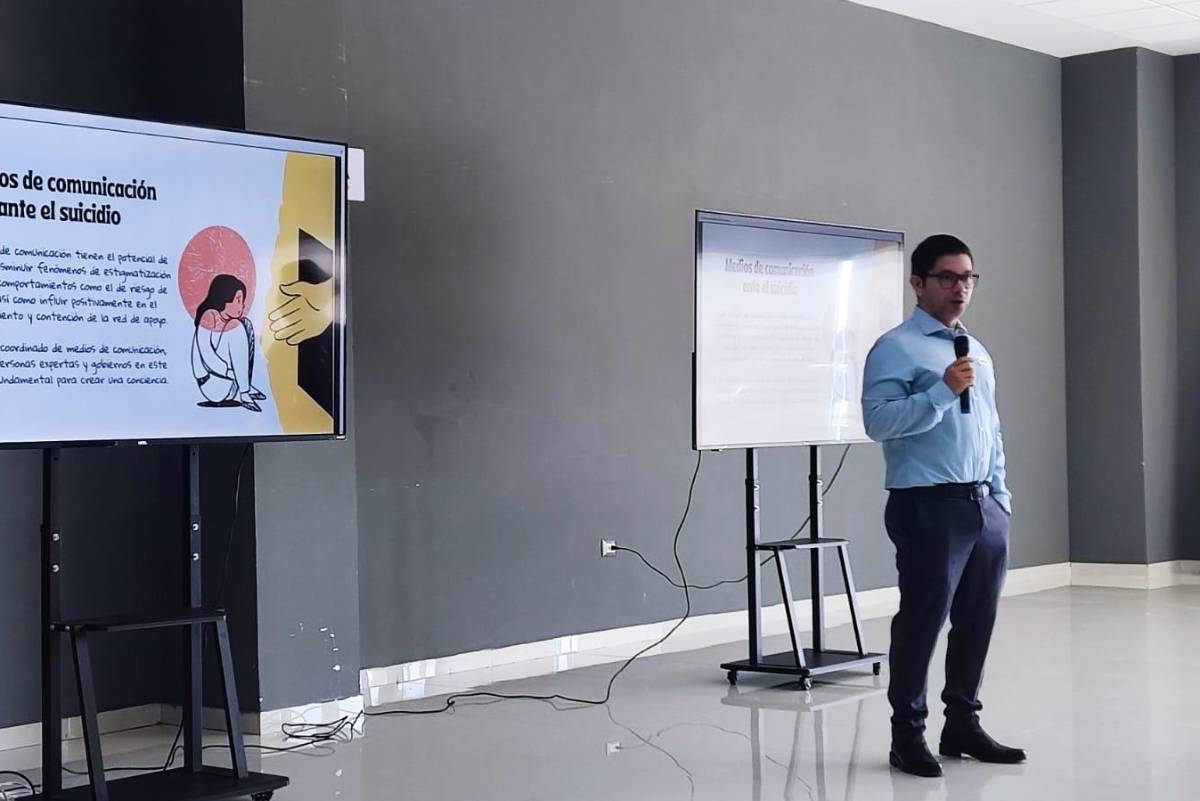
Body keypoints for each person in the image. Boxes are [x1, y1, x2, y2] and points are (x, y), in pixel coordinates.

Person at [861, 234, 1026, 777]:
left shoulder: (977, 349)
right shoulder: (896, 348)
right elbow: (878, 423)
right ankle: (907, 736)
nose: (961, 288)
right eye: (948, 278)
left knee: (977, 619)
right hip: (927, 505)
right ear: (918, 283)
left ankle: (962, 725)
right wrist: (939, 392)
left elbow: (990, 429)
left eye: (968, 278)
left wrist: (1000, 496)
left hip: (983, 506)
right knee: (922, 621)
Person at [191, 274, 266, 412]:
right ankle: (245, 393)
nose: (242, 305)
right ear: (225, 298)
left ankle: (245, 387)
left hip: (230, 383)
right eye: (238, 300)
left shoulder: (228, 321)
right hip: (212, 384)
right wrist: (230, 373)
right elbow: (207, 356)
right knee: (236, 325)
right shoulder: (209, 316)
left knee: (246, 324)